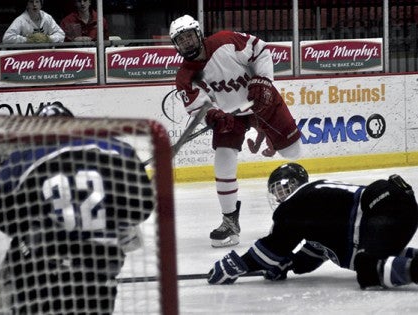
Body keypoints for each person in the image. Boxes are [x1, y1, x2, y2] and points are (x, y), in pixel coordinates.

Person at [0, 103, 154, 314]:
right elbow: (142, 208)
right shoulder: (117, 149)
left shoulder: (23, 157)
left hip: (41, 273)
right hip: (99, 272)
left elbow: (5, 220)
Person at [169, 15, 302, 248]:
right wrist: (213, 116)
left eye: (190, 36)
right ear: (176, 46)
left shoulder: (225, 41)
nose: (187, 43)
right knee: (223, 158)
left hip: (262, 100)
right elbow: (196, 107)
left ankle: (303, 202)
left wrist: (263, 80)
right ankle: (230, 222)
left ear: (199, 34)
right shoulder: (185, 76)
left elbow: (261, 51)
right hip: (230, 116)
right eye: (181, 40)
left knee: (293, 152)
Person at [207, 162, 418, 290]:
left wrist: (237, 265)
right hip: (392, 205)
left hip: (383, 203)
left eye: (282, 188)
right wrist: (287, 264)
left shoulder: (299, 201)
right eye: (276, 192)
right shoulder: (317, 211)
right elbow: (315, 253)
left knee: (367, 268)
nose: (280, 196)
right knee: (374, 257)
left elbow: (273, 247)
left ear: (297, 183)